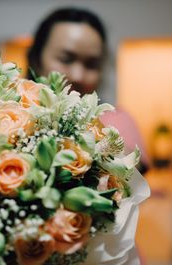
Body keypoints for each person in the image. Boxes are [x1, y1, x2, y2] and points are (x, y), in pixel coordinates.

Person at [27, 7, 150, 173]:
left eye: (91, 64)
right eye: (66, 59)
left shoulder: (119, 120)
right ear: (36, 59)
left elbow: (133, 172)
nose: (78, 75)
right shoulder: (8, 114)